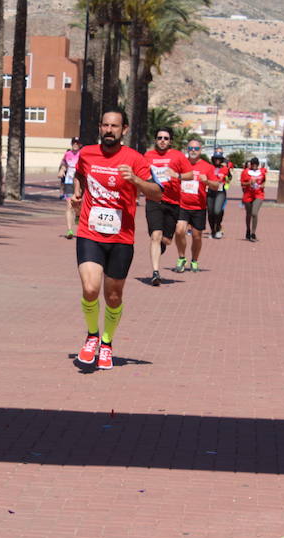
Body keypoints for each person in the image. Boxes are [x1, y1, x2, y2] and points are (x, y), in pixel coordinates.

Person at [71, 108, 162, 369]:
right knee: (90, 288)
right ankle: (91, 337)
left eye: (115, 126)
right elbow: (80, 173)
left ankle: (107, 343)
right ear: (100, 127)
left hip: (121, 238)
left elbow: (157, 193)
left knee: (113, 296)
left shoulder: (135, 159)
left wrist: (135, 180)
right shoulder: (87, 153)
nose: (109, 130)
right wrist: (78, 193)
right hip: (89, 233)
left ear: (124, 130)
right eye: (105, 125)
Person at [144, 127, 194, 286]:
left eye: (165, 138)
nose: (162, 141)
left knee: (166, 240)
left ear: (170, 141)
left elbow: (190, 175)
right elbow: (140, 174)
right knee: (155, 236)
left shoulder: (177, 156)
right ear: (155, 140)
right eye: (159, 138)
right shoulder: (148, 156)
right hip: (154, 200)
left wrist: (176, 175)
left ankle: (161, 247)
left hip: (173, 203)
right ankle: (155, 273)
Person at [175, 139, 219, 273]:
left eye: (196, 148)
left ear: (201, 150)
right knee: (179, 231)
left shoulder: (207, 167)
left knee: (196, 236)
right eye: (190, 148)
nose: (193, 151)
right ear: (187, 149)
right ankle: (182, 257)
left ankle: (194, 260)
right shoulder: (181, 164)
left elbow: (217, 186)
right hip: (182, 205)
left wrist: (207, 181)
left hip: (199, 207)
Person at [240, 157, 267, 241]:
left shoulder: (261, 172)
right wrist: (249, 183)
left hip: (259, 194)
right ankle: (248, 230)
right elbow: (242, 183)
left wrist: (263, 185)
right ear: (251, 165)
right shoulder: (245, 172)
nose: (254, 166)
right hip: (248, 195)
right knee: (248, 214)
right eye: (253, 165)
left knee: (254, 213)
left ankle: (253, 233)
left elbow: (264, 180)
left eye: (256, 165)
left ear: (258, 165)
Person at [59, 137, 81, 238]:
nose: (75, 145)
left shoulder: (83, 154)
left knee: (78, 204)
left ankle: (77, 215)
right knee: (69, 205)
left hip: (79, 182)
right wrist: (62, 170)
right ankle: (69, 230)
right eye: (73, 143)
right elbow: (64, 164)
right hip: (69, 181)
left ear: (80, 144)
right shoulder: (67, 154)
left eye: (77, 143)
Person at [207, 152, 231, 238]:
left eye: (219, 159)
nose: (217, 160)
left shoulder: (225, 169)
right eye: (216, 159)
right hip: (210, 191)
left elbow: (229, 177)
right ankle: (212, 230)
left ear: (221, 160)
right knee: (210, 212)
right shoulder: (209, 168)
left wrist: (227, 181)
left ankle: (218, 227)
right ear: (213, 159)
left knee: (217, 210)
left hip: (220, 191)